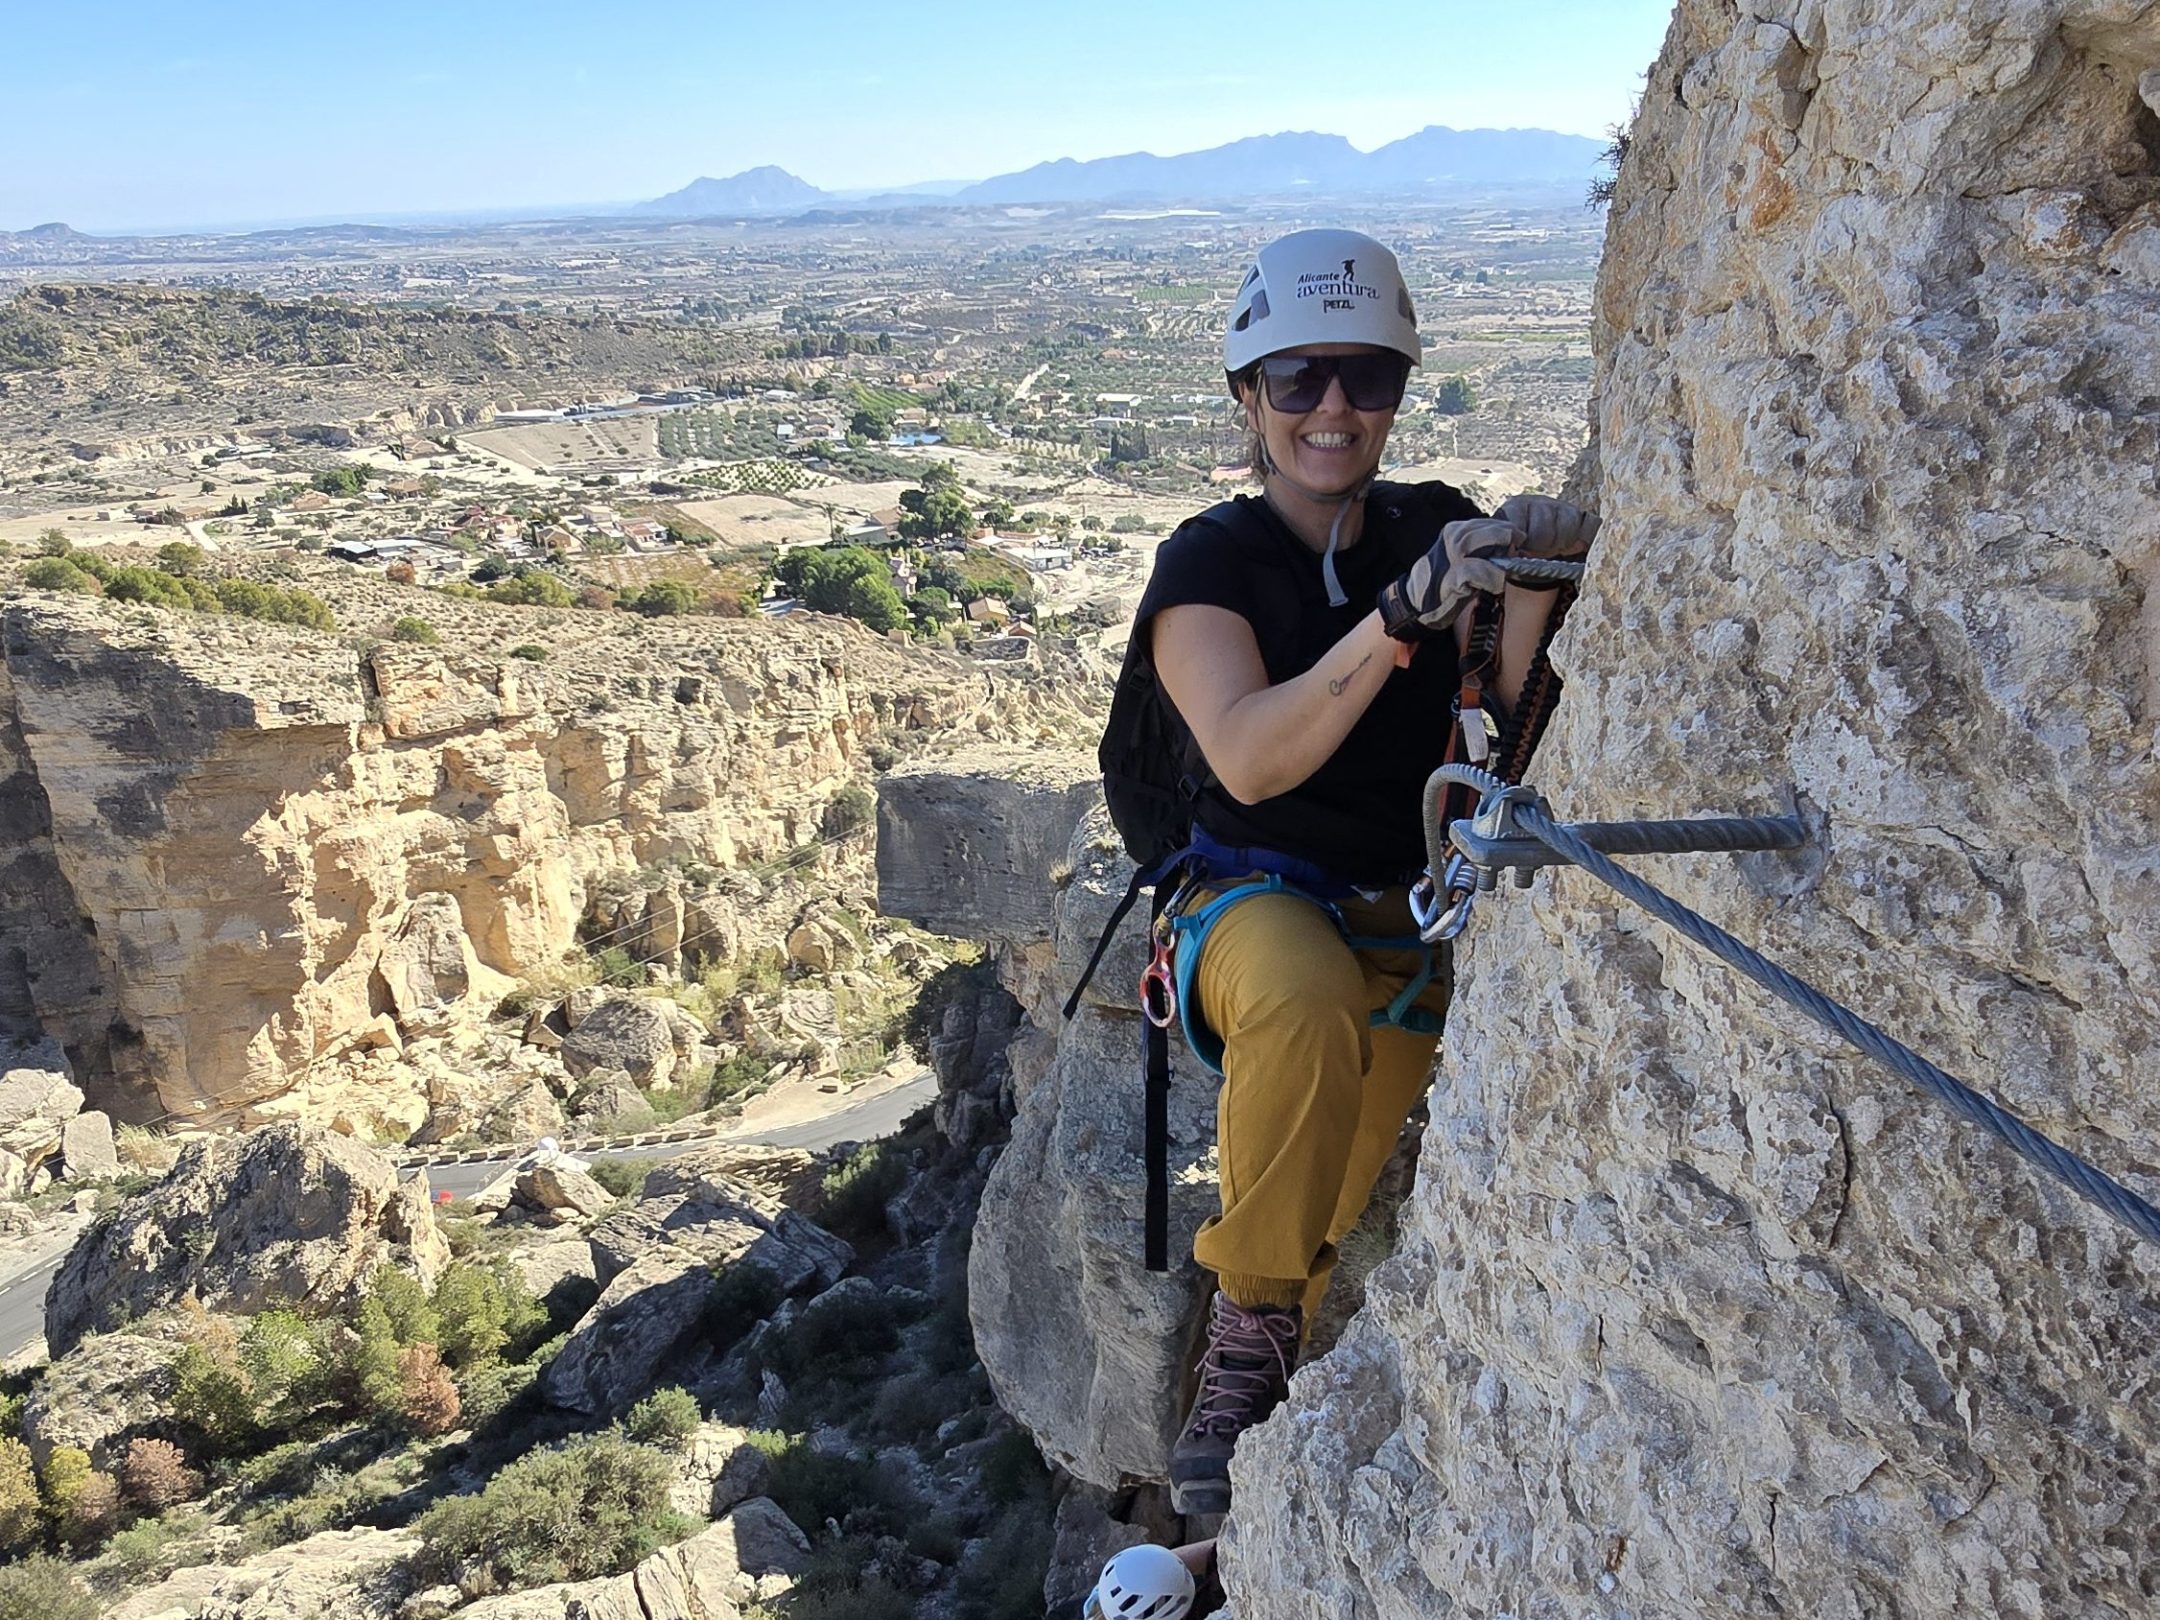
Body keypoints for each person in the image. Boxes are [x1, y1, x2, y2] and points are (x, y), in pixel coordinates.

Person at [1127, 228, 1598, 1515]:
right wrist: (1398, 613)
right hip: (1250, 904)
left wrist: (1530, 596)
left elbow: (1504, 720)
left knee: (1325, 1203)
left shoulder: (1434, 527)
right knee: (1305, 1002)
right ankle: (1243, 1345)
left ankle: (1247, 1504)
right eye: (1298, 380)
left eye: (1366, 378)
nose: (1334, 407)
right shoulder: (1208, 565)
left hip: (1408, 912)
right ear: (1248, 399)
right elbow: (1248, 755)